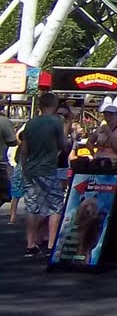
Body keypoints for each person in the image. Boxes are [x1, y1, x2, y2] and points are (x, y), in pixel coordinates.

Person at [14, 93, 70, 257]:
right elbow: (62, 144)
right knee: (55, 205)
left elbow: (24, 149)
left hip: (30, 168)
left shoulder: (31, 123)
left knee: (32, 206)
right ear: (54, 104)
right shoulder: (55, 122)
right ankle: (51, 245)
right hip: (47, 168)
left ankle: (30, 244)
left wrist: (24, 167)